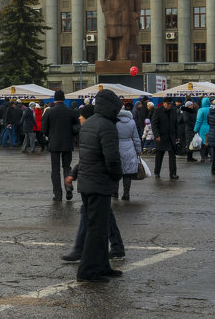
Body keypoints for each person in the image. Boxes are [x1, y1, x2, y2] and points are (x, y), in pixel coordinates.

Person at [73, 89, 124, 283]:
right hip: (99, 182)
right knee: (96, 230)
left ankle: (102, 267)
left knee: (99, 228)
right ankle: (87, 272)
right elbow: (111, 157)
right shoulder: (107, 126)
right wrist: (117, 175)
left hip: (87, 181)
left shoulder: (90, 122)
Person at [42, 90, 80, 200]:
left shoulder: (49, 112)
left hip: (54, 143)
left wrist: (51, 134)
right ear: (64, 98)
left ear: (55, 98)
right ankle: (68, 186)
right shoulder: (71, 112)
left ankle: (57, 195)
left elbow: (44, 129)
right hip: (68, 142)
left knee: (55, 169)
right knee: (67, 167)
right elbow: (77, 128)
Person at [149, 98, 182, 179]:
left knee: (172, 156)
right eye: (168, 103)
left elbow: (176, 124)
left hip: (171, 136)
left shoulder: (173, 110)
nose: (169, 105)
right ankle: (157, 172)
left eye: (170, 103)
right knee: (159, 156)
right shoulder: (158, 111)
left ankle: (173, 174)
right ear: (164, 103)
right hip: (161, 137)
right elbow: (154, 124)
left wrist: (177, 136)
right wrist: (157, 135)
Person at [115, 106, 141, 201]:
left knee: (116, 171)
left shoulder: (114, 122)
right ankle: (126, 193)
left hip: (117, 146)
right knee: (127, 173)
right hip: (130, 147)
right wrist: (138, 149)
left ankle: (115, 192)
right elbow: (136, 137)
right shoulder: (132, 122)